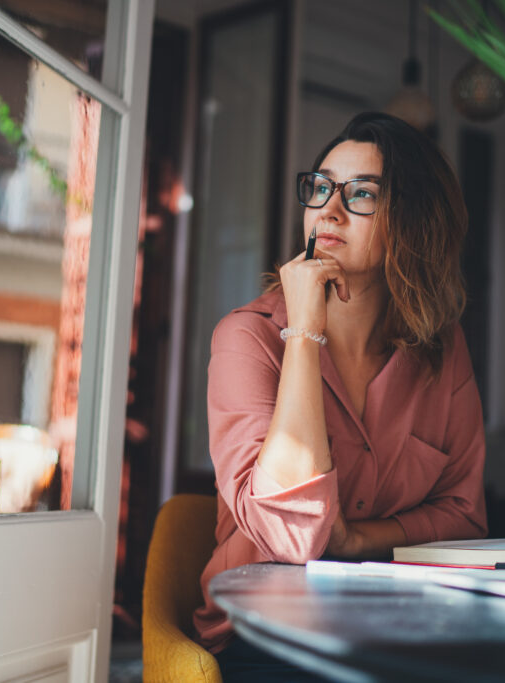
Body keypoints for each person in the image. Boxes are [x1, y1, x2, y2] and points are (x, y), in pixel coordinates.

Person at [194, 112, 488, 680]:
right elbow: (290, 533)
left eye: (361, 194)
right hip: (263, 637)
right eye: (322, 187)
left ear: (413, 222)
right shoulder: (246, 339)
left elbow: (465, 517)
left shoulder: (441, 351)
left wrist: (357, 539)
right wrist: (303, 327)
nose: (328, 208)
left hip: (393, 623)